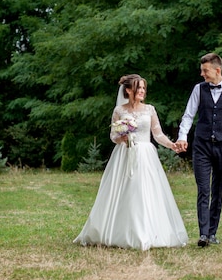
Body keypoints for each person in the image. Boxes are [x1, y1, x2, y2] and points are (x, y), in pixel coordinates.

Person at [74, 74, 188, 250]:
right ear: (128, 90)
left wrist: (172, 145)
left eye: (143, 88)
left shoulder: (149, 109)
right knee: (123, 191)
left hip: (145, 155)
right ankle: (119, 231)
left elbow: (157, 134)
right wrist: (124, 138)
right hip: (125, 154)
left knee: (144, 191)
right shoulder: (119, 111)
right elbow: (113, 136)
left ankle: (147, 233)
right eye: (138, 88)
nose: (142, 91)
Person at [176, 53, 222, 247]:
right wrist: (182, 137)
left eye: (205, 70)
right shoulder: (198, 89)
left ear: (217, 70)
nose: (202, 74)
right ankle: (203, 234)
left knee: (218, 189)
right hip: (201, 145)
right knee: (203, 189)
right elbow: (188, 115)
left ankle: (212, 232)